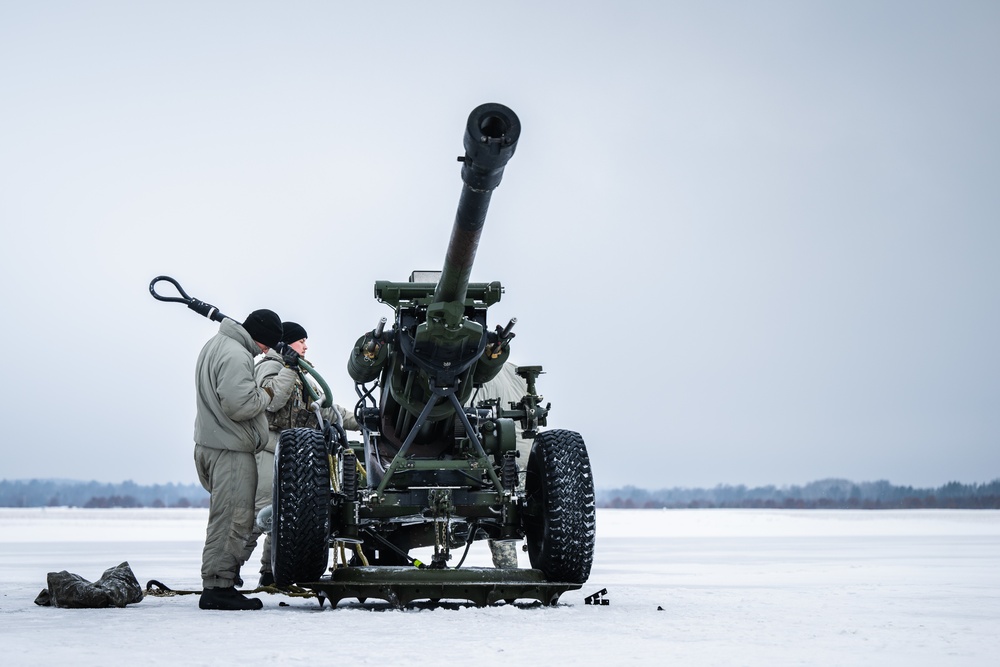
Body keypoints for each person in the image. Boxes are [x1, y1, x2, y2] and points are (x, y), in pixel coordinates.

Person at [242, 321, 359, 587]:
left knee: (283, 518)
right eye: (301, 340)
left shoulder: (301, 373)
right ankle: (225, 574)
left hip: (294, 457)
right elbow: (271, 401)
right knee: (261, 517)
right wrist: (288, 368)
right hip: (269, 451)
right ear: (286, 343)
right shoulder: (269, 368)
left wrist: (359, 420)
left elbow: (325, 409)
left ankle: (270, 574)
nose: (305, 346)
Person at [194, 308, 282, 611]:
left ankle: (221, 582)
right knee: (232, 519)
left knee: (226, 517)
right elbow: (239, 404)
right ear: (261, 340)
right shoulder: (236, 354)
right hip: (230, 450)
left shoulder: (216, 344)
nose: (264, 353)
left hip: (213, 444)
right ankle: (218, 588)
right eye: (265, 346)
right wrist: (265, 395)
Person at [476, 361, 534, 569]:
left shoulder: (470, 372)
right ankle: (508, 573)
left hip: (499, 460)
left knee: (503, 517)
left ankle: (508, 571)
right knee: (505, 519)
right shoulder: (511, 370)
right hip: (518, 458)